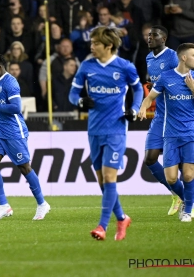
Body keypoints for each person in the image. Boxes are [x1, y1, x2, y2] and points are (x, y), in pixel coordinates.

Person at [69, 26, 143, 240]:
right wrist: (81, 101)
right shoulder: (87, 66)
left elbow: (138, 89)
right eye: (91, 43)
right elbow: (72, 94)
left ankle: (102, 226)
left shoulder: (125, 67)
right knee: (103, 181)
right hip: (94, 129)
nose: (91, 47)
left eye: (96, 44)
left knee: (110, 177)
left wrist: (135, 109)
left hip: (116, 128)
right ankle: (122, 218)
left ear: (109, 45)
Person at [0, 52, 51, 220]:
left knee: (24, 168)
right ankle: (4, 206)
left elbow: (16, 108)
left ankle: (42, 204)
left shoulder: (10, 82)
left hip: (14, 131)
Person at [138, 43, 194, 222]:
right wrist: (142, 108)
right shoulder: (166, 77)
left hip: (191, 133)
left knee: (187, 174)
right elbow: (150, 97)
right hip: (170, 134)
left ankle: (188, 210)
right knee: (171, 179)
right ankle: (186, 199)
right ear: (184, 58)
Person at [144, 25, 183, 216]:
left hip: (178, 115)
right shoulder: (149, 58)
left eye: (154, 35)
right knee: (150, 158)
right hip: (160, 115)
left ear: (164, 39)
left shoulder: (173, 57)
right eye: (149, 35)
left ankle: (188, 199)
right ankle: (177, 194)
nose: (150, 38)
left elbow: (184, 78)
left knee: (183, 162)